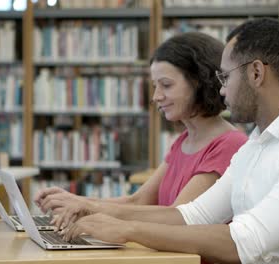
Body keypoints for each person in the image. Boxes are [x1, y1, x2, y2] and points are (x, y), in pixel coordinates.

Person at [58, 18, 279, 264]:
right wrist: (97, 211)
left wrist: (126, 229)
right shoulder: (257, 145)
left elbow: (243, 243)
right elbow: (193, 215)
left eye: (225, 77)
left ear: (256, 72)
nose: (221, 91)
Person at [34, 32, 248, 229]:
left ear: (200, 83)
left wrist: (89, 207)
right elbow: (137, 201)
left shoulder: (229, 145)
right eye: (155, 86)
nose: (156, 96)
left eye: (166, 85)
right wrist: (76, 201)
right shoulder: (183, 141)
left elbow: (177, 218)